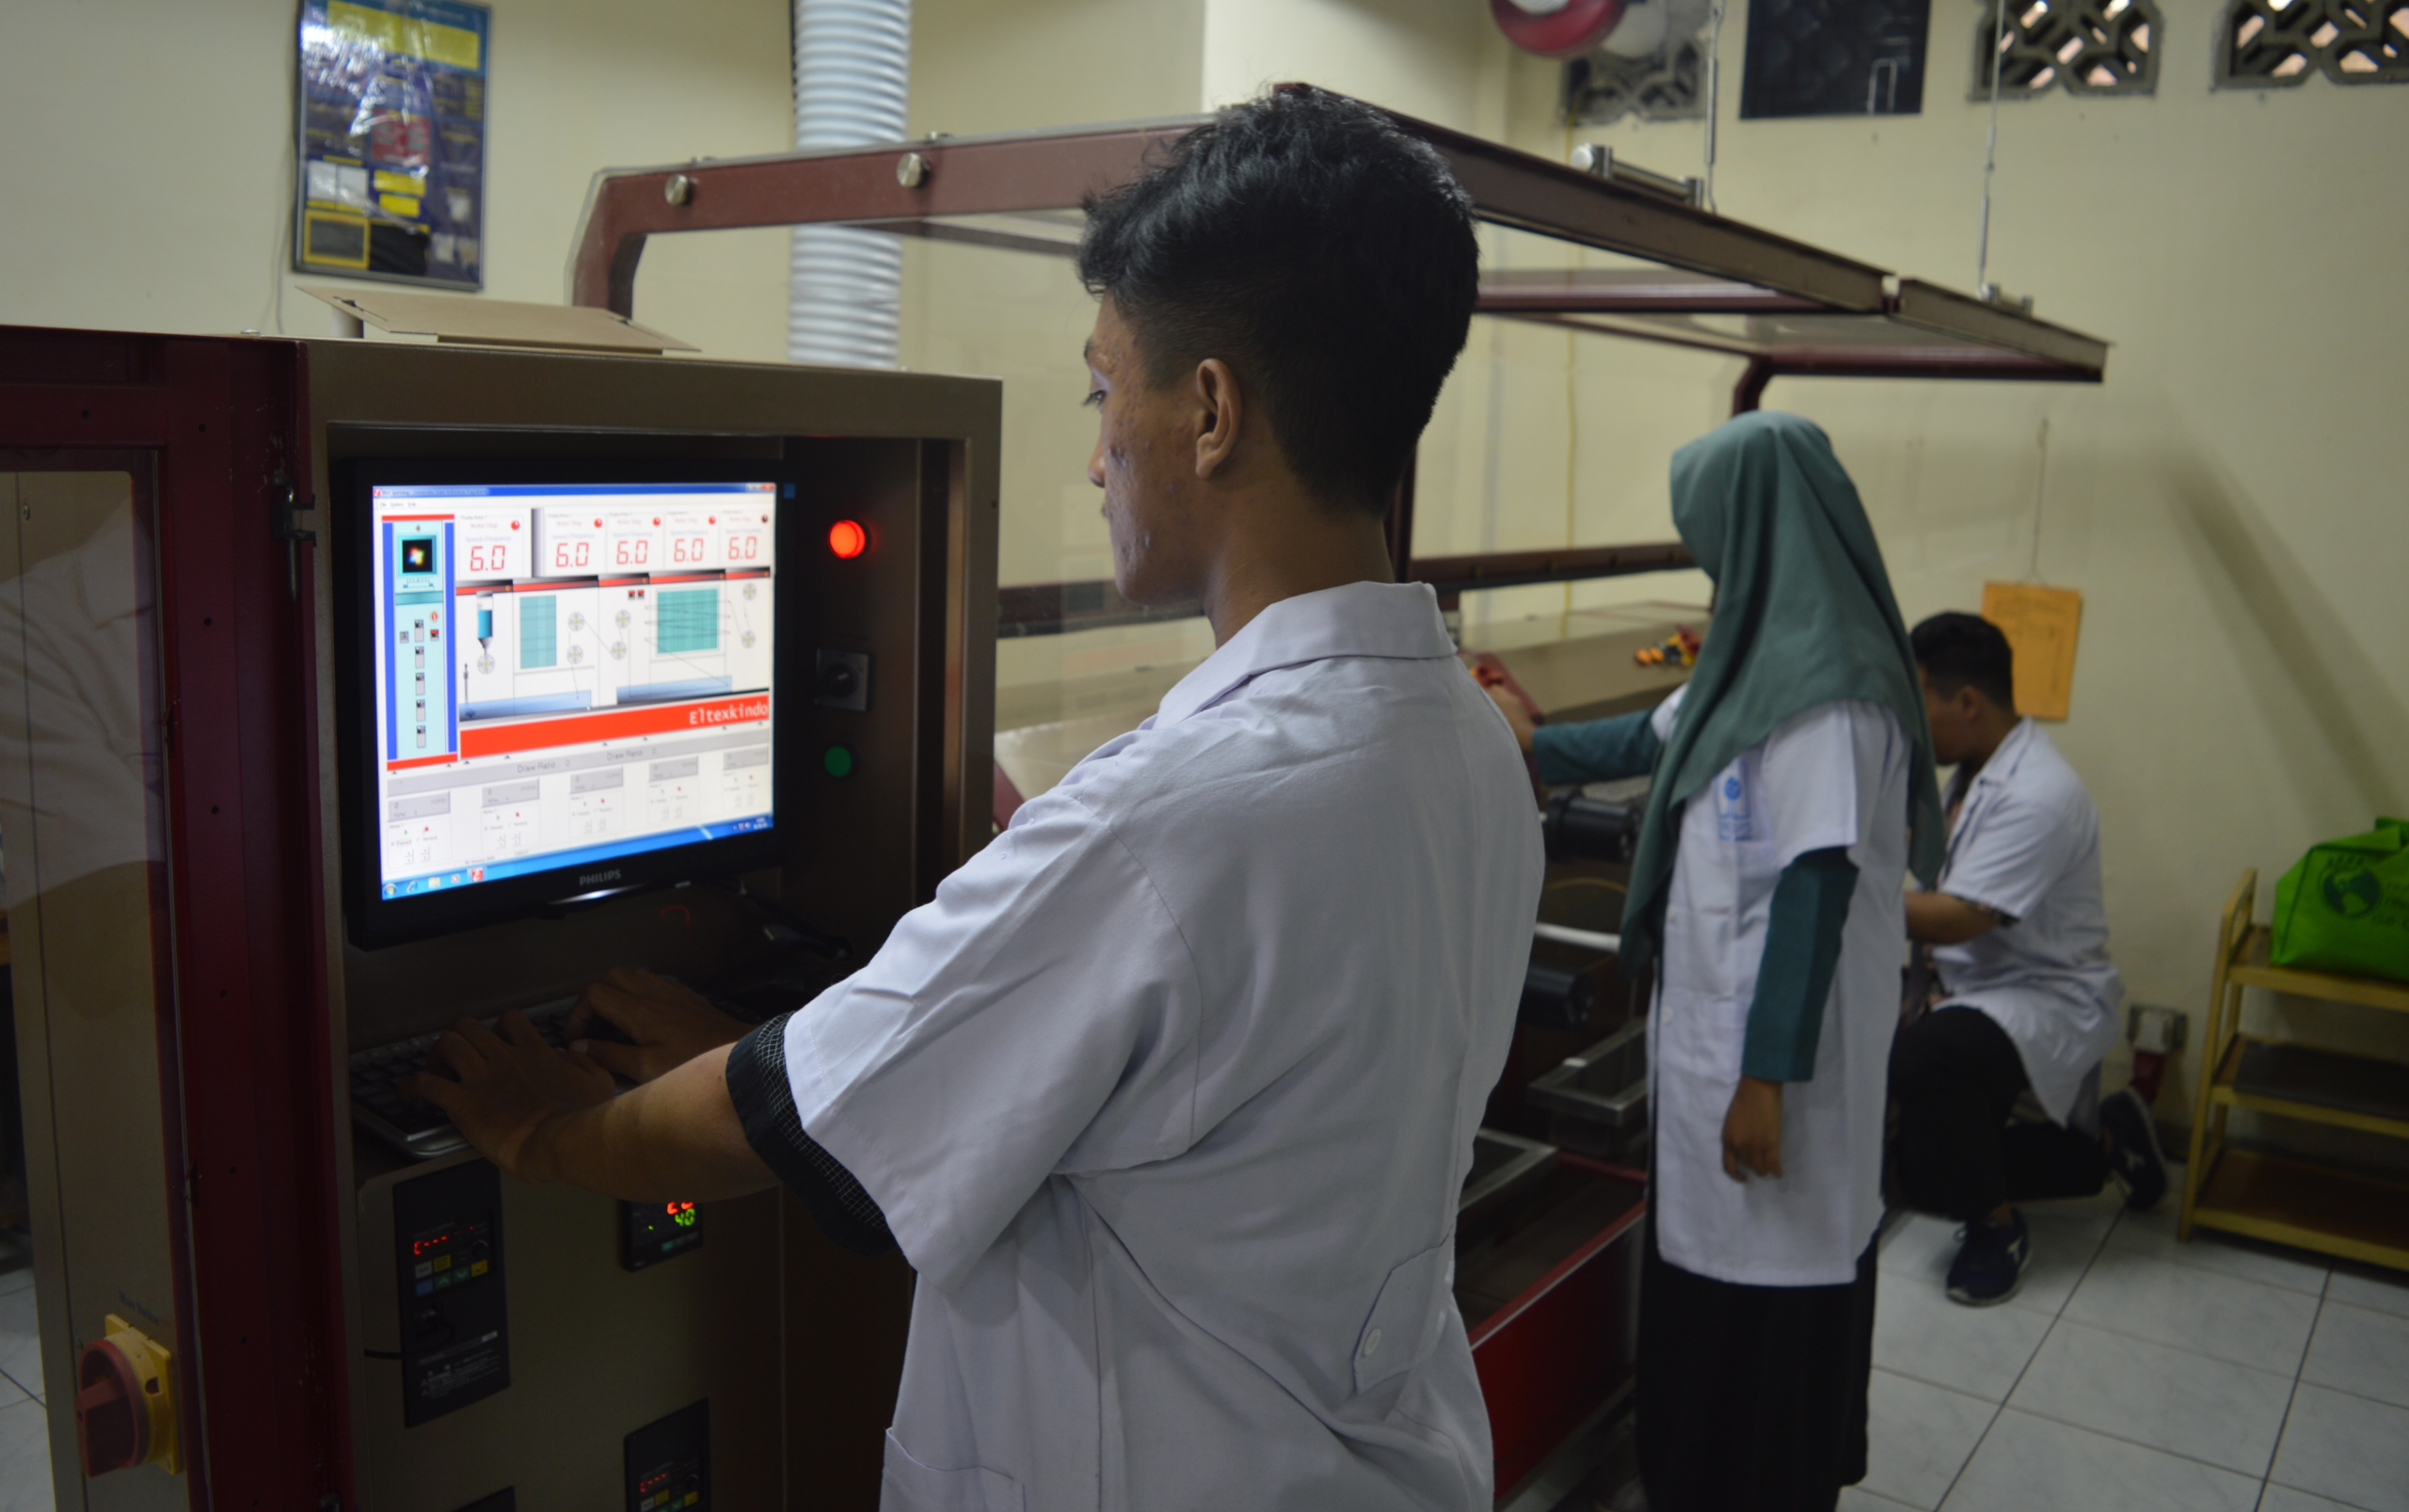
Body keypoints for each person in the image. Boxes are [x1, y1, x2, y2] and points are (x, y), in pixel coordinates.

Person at [407, 87, 1544, 1511]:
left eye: (1100, 387)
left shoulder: (1166, 826)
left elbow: (795, 1128)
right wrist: (773, 1041)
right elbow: (964, 1081)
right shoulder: (1466, 743)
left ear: (1206, 413)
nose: (1092, 450)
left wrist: (548, 1136)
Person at [1487, 411, 1944, 1512]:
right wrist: (1526, 739)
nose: (1707, 565)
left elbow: (1815, 882)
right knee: (1707, 1291)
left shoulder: (1830, 689)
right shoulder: (1760, 655)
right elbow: (1656, 735)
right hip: (1717, 1051)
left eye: (1711, 540)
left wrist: (1762, 1080)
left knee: (1772, 1311)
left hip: (1781, 1075)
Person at [1888, 612, 2163, 1307]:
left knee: (1925, 1060)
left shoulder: (2040, 793)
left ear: (1967, 702)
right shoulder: (1969, 771)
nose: (1910, 724)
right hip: (1974, 983)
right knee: (1907, 1177)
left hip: (2044, 994)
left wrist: (1840, 901)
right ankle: (2100, 1147)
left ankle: (1997, 1226)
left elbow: (1958, 918)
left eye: (1916, 703)